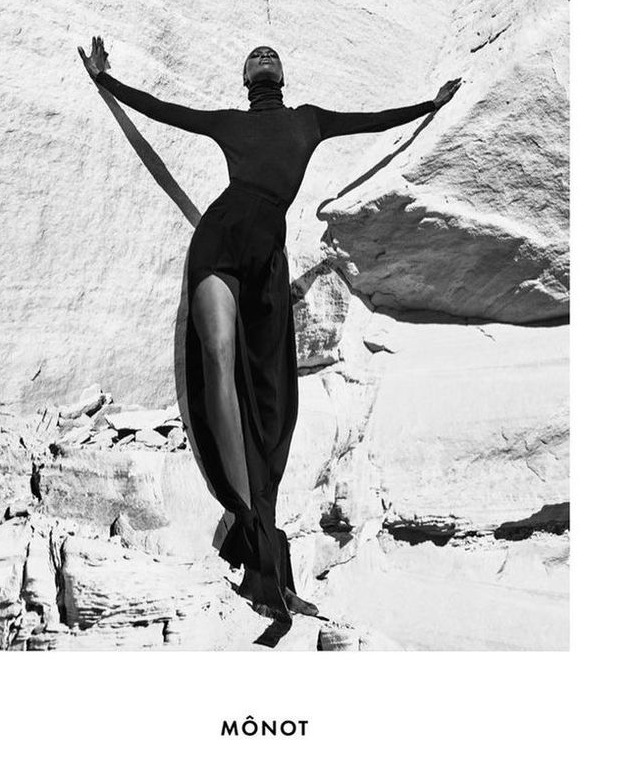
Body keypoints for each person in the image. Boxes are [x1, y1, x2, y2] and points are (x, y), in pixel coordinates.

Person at [78, 36, 461, 625]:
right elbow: (161, 112)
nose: (263, 57)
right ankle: (251, 522)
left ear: (281, 75)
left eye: (270, 55)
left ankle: (263, 541)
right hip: (219, 238)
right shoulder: (228, 122)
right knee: (217, 357)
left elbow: (372, 122)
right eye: (254, 56)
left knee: (273, 398)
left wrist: (428, 107)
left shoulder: (309, 123)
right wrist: (108, 82)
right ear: (245, 77)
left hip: (266, 262)